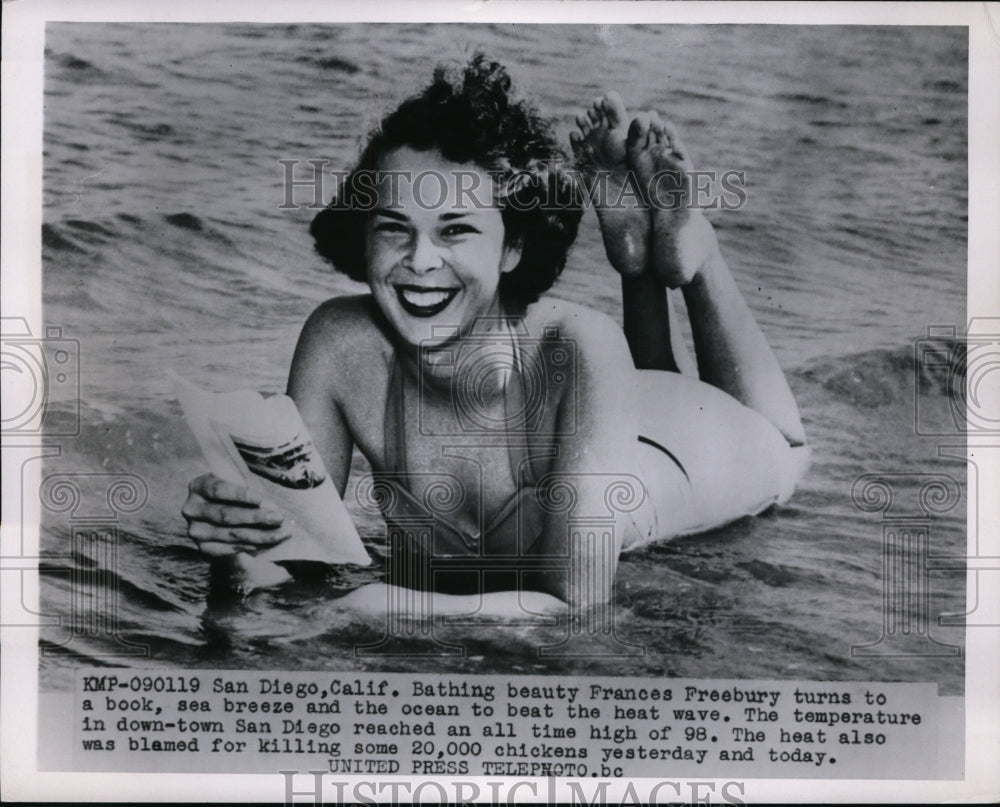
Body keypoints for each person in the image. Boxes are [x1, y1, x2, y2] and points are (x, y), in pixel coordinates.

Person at [182, 55, 807, 614]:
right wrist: (234, 545)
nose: (420, 261)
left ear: (512, 247)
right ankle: (638, 254)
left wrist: (378, 604)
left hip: (690, 446)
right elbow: (290, 566)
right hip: (603, 422)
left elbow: (574, 605)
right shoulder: (337, 342)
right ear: (363, 233)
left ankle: (693, 256)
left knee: (786, 445)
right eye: (394, 228)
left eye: (454, 231)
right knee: (647, 373)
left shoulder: (581, 346)